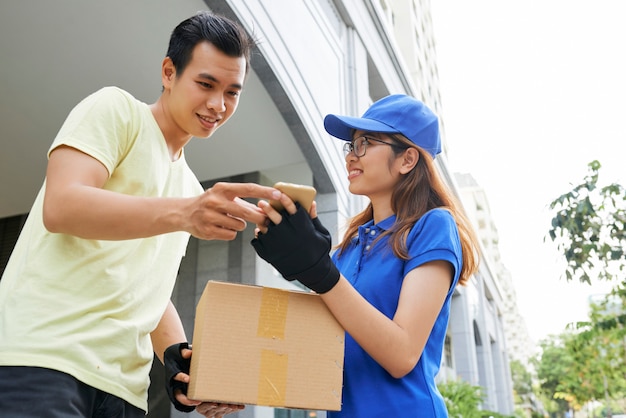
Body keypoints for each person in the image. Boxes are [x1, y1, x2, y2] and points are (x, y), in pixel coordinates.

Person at [0, 11, 282, 418]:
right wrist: (187, 213)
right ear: (169, 72)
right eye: (205, 84)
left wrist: (183, 363)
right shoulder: (117, 111)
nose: (218, 104)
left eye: (233, 92)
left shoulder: (189, 188)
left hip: (124, 393)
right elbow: (62, 206)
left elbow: (148, 285)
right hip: (44, 360)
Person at [251, 94, 481, 417]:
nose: (350, 156)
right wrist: (229, 383)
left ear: (407, 159)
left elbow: (402, 354)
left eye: (365, 143)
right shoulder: (348, 248)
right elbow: (322, 362)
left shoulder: (433, 226)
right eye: (351, 145)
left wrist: (322, 275)